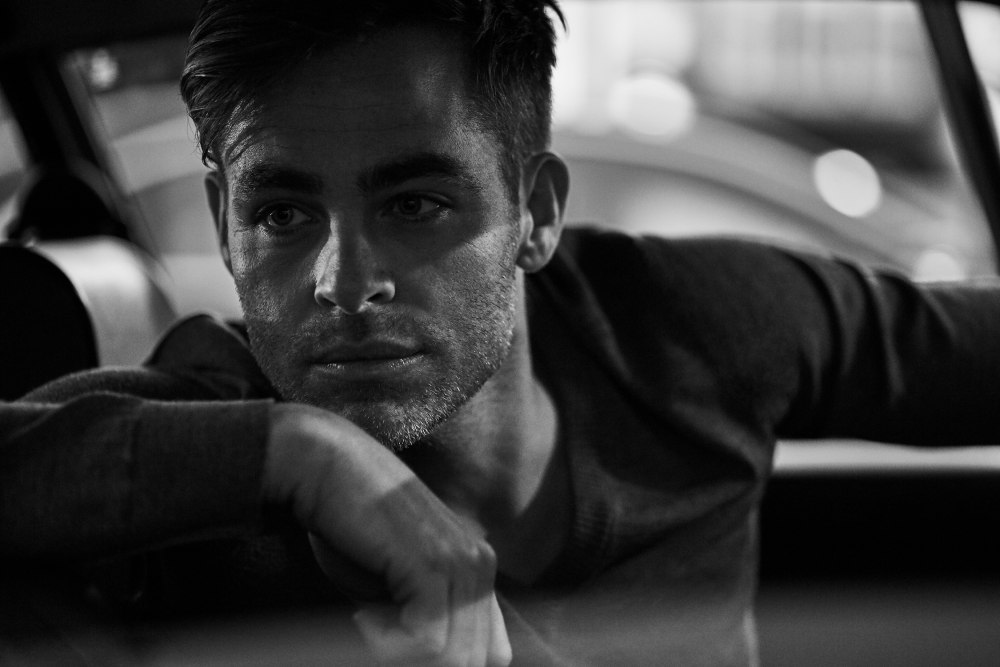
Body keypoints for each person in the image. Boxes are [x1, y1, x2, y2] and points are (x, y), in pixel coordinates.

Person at [3, 0, 1000, 664]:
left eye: (415, 203)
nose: (344, 283)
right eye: (281, 215)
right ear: (224, 224)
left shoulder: (693, 324)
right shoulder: (205, 439)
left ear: (536, 213)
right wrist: (298, 454)